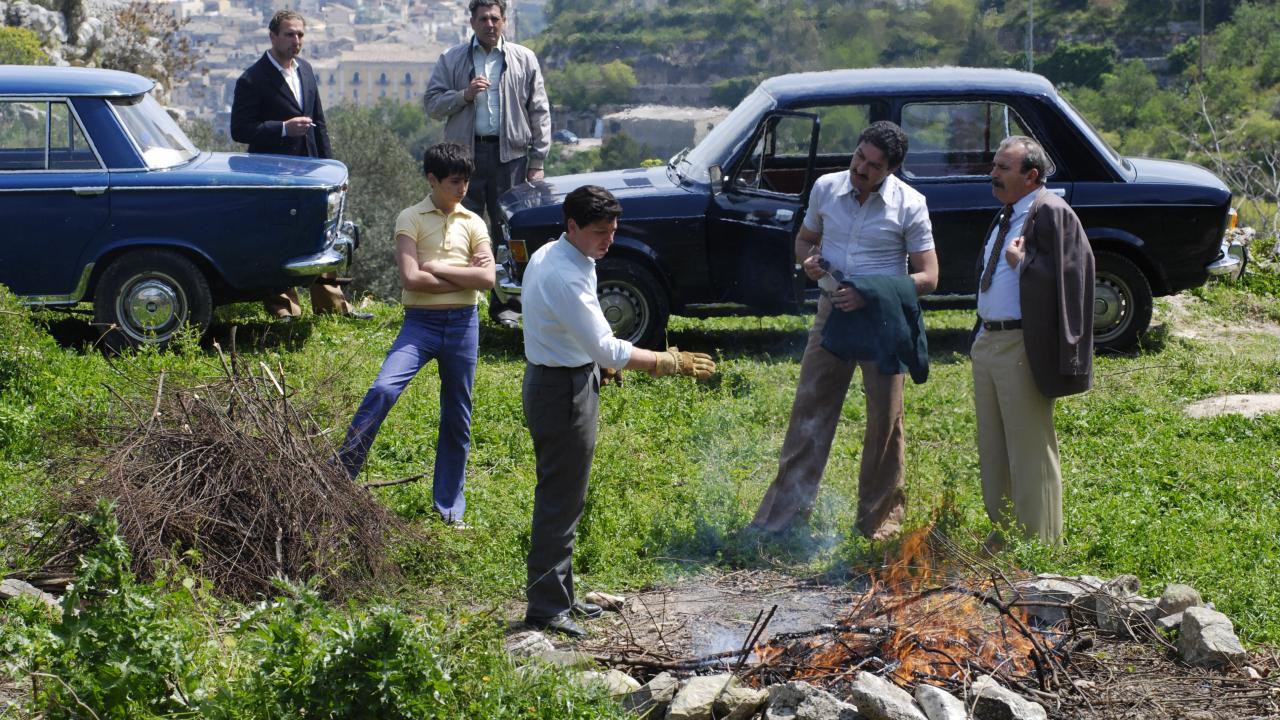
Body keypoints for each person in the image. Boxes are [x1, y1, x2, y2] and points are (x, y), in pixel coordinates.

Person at [520, 185, 715, 637]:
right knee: (560, 498)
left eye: (612, 230)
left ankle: (562, 596)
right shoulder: (563, 274)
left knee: (566, 495)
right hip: (561, 390)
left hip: (564, 375)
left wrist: (598, 363)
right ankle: (547, 608)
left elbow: (584, 333)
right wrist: (668, 362)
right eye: (599, 232)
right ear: (572, 226)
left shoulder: (561, 253)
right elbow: (606, 345)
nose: (609, 240)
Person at [750, 121, 938, 542]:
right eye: (859, 157)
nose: (861, 169)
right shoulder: (826, 188)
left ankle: (879, 526)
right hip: (832, 312)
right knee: (810, 411)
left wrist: (869, 293)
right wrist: (810, 263)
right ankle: (781, 519)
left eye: (873, 166)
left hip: (883, 321)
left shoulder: (910, 203)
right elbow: (805, 242)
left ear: (891, 169)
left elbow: (929, 277)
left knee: (885, 423)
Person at [336, 143, 495, 527]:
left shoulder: (474, 221)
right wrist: (460, 274)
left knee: (458, 415)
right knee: (384, 389)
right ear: (432, 179)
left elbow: (487, 280)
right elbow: (411, 278)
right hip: (419, 325)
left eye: (466, 180)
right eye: (455, 181)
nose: (463, 188)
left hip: (463, 325)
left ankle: (449, 509)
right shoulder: (410, 217)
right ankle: (337, 478)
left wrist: (435, 267)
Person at [972, 135, 1094, 549]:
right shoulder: (1009, 213)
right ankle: (1005, 532)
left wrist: (1021, 262)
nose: (993, 174)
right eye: (994, 166)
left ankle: (1040, 542)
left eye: (1003, 168)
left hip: (1021, 344)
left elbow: (1073, 274)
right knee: (994, 446)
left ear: (1032, 175)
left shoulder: (1051, 211)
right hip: (989, 343)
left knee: (1029, 446)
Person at [230, 9, 370, 322]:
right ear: (273, 37)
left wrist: (332, 169)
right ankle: (283, 307)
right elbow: (239, 130)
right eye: (290, 34)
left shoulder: (305, 70)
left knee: (323, 234)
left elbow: (318, 121)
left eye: (300, 34)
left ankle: (333, 306)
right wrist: (283, 128)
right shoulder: (252, 79)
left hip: (310, 172)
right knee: (277, 238)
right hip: (272, 175)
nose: (297, 41)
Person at [423, 0, 550, 228]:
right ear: (472, 23)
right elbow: (432, 105)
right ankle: (467, 265)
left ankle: (503, 265)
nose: (489, 24)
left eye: (495, 18)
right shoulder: (451, 59)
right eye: (483, 19)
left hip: (511, 157)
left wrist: (537, 163)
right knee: (462, 225)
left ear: (504, 22)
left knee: (510, 224)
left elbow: (539, 111)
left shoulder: (525, 59)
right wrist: (464, 95)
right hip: (464, 158)